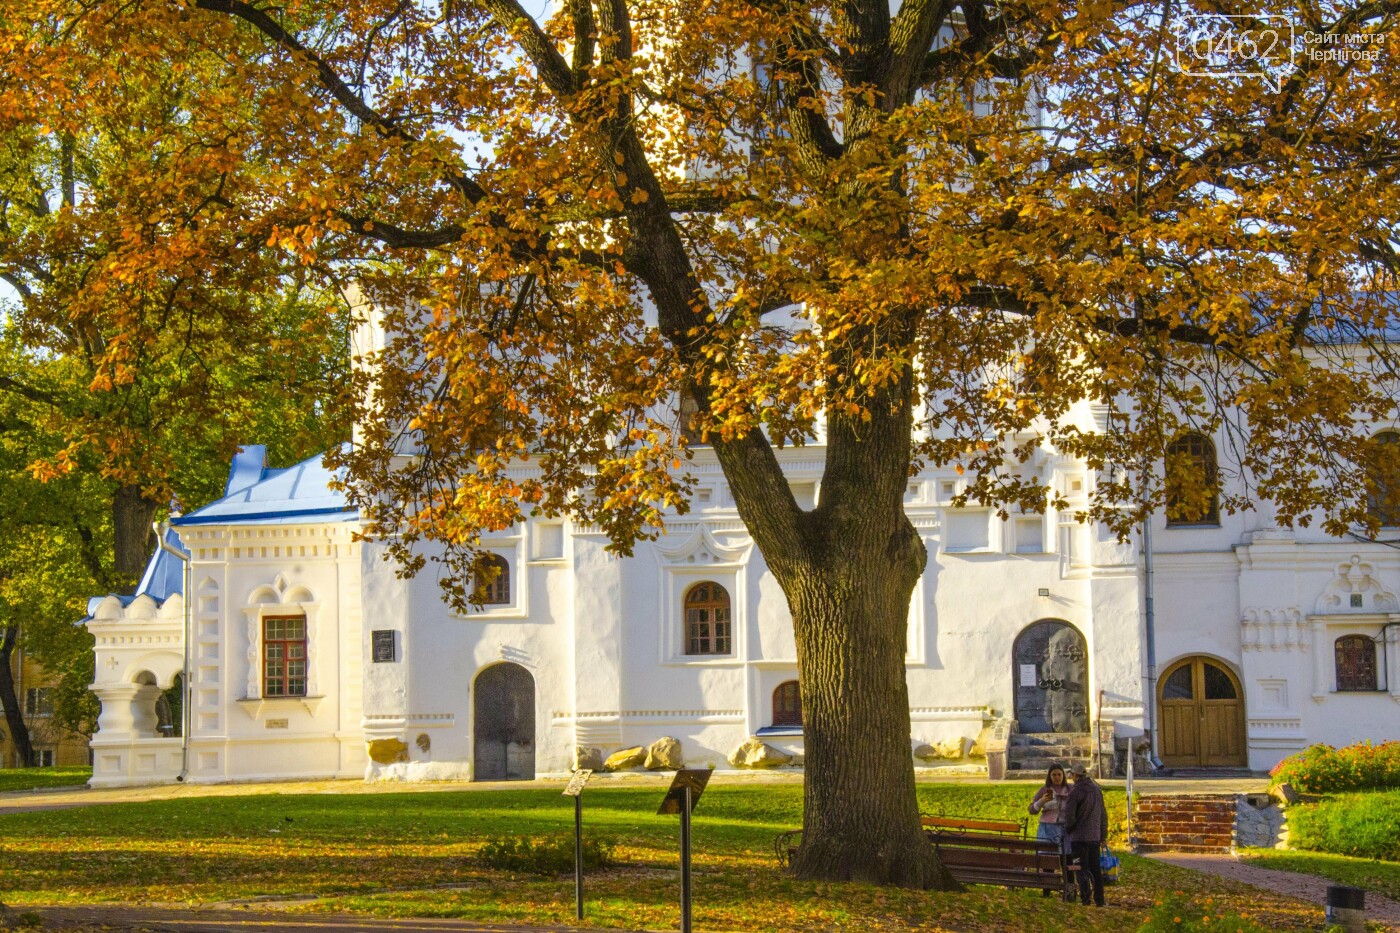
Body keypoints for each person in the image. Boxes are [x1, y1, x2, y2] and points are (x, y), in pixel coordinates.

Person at [1061, 762, 1108, 907]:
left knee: (1080, 868)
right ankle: (1099, 900)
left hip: (1079, 837)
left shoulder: (1075, 791)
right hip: (1094, 836)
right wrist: (1102, 835)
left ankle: (1085, 898)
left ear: (1075, 776)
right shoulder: (1096, 789)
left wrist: (1069, 829)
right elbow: (1103, 815)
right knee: (1095, 869)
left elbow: (1069, 815)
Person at [1029, 764, 1071, 897]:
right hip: (1048, 828)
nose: (1057, 777)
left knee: (1067, 859)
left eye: (1059, 774)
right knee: (1048, 860)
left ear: (1063, 775)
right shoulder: (1044, 790)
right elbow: (1032, 810)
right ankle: (1047, 890)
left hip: (1065, 829)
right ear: (1049, 776)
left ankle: (1069, 891)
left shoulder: (1070, 789)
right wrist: (1041, 801)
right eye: (1054, 775)